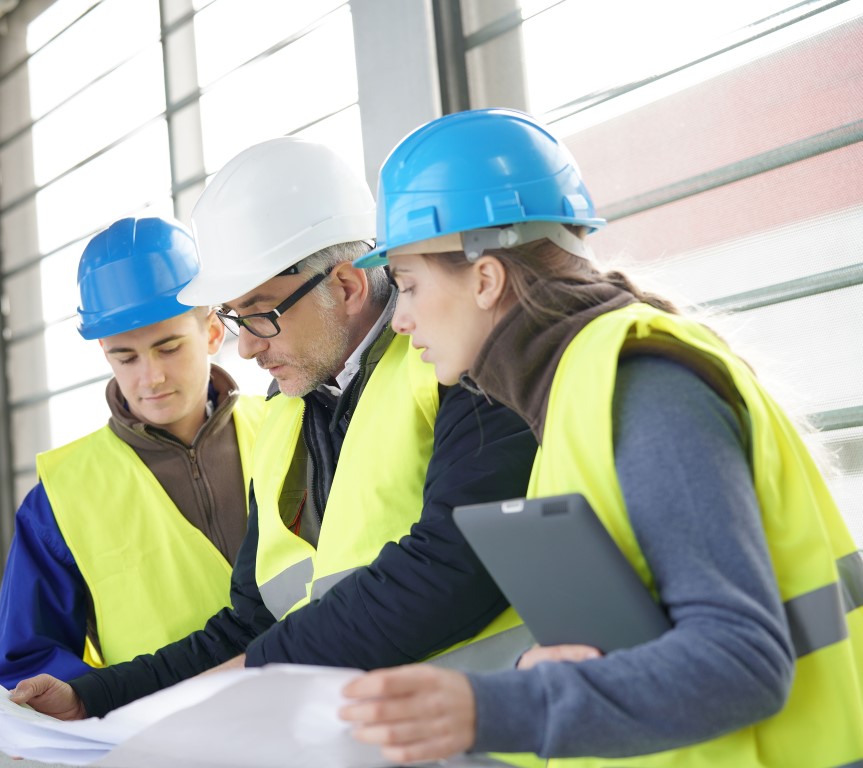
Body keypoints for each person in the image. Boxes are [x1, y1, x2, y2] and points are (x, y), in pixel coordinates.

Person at [338, 108, 863, 767]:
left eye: (409, 286)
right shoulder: (571, 391)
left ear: (484, 278)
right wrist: (539, 672)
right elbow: (649, 637)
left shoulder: (640, 383)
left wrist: (491, 709)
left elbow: (743, 662)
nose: (402, 319)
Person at [8, 136, 538, 720]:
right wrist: (95, 695)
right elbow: (250, 621)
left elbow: (451, 568)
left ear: (346, 285)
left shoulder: (456, 362)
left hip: (503, 739)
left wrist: (258, 672)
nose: (247, 345)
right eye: (235, 318)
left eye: (261, 314)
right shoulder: (287, 413)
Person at [0, 215, 264, 688]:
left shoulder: (287, 426)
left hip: (318, 723)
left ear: (213, 332)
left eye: (169, 347)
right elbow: (27, 660)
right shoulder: (61, 497)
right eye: (125, 357)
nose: (149, 377)